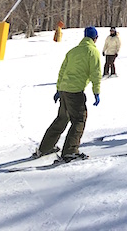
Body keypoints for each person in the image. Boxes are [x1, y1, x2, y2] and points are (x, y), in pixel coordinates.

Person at [35, 26, 102, 162]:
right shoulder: (92, 52)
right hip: (75, 91)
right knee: (79, 120)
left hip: (65, 89)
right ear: (95, 38)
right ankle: (70, 151)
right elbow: (96, 74)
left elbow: (62, 71)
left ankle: (45, 147)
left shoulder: (73, 51)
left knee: (62, 118)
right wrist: (96, 92)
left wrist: (59, 90)